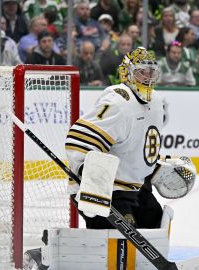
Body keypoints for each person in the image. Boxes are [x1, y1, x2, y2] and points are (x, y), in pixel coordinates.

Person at [65, 47, 166, 229]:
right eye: (141, 72)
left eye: (151, 71)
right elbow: (78, 139)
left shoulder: (157, 102)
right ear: (127, 73)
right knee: (122, 239)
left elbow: (137, 146)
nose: (148, 77)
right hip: (107, 188)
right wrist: (88, 177)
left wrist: (157, 166)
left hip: (136, 185)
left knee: (155, 220)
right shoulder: (118, 102)